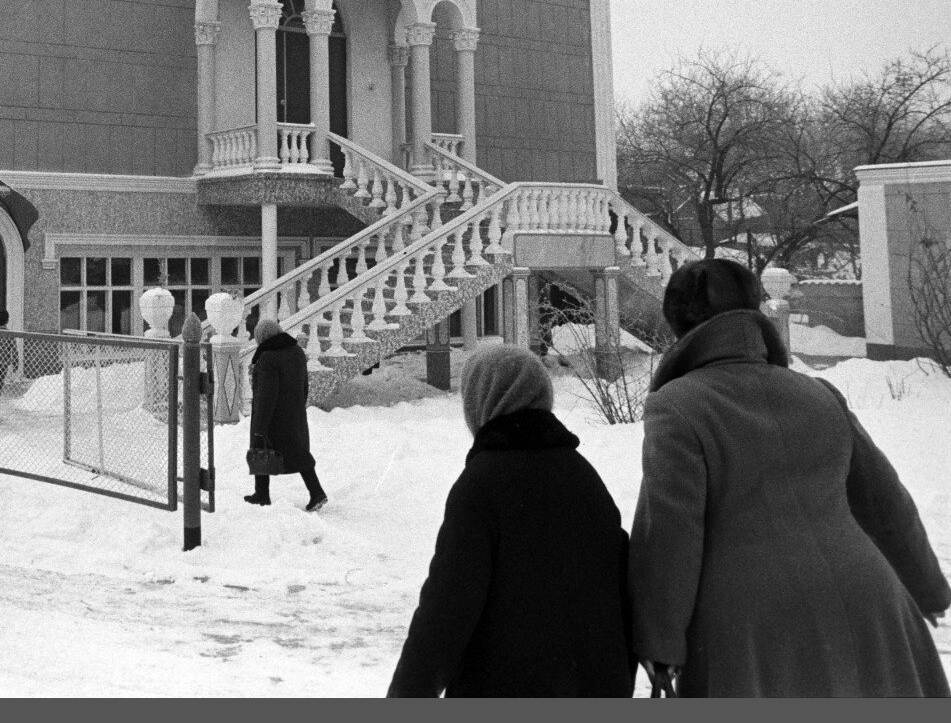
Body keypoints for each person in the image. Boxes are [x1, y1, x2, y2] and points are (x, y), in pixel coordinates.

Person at [630, 258, 950, 697]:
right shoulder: (818, 394)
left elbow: (671, 533)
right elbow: (883, 499)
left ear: (679, 323)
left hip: (751, 629)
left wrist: (661, 642)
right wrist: (924, 586)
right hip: (869, 603)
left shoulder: (677, 406)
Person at [386, 343, 634, 697]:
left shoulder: (481, 485)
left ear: (481, 402)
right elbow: (620, 598)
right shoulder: (585, 479)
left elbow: (446, 612)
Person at [246, 318, 326, 511]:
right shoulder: (297, 352)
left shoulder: (267, 358)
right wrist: (298, 405)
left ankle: (263, 494)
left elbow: (266, 394)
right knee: (299, 453)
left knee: (260, 449)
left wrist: (260, 425)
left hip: (274, 417)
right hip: (294, 412)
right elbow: (304, 385)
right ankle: (315, 492)